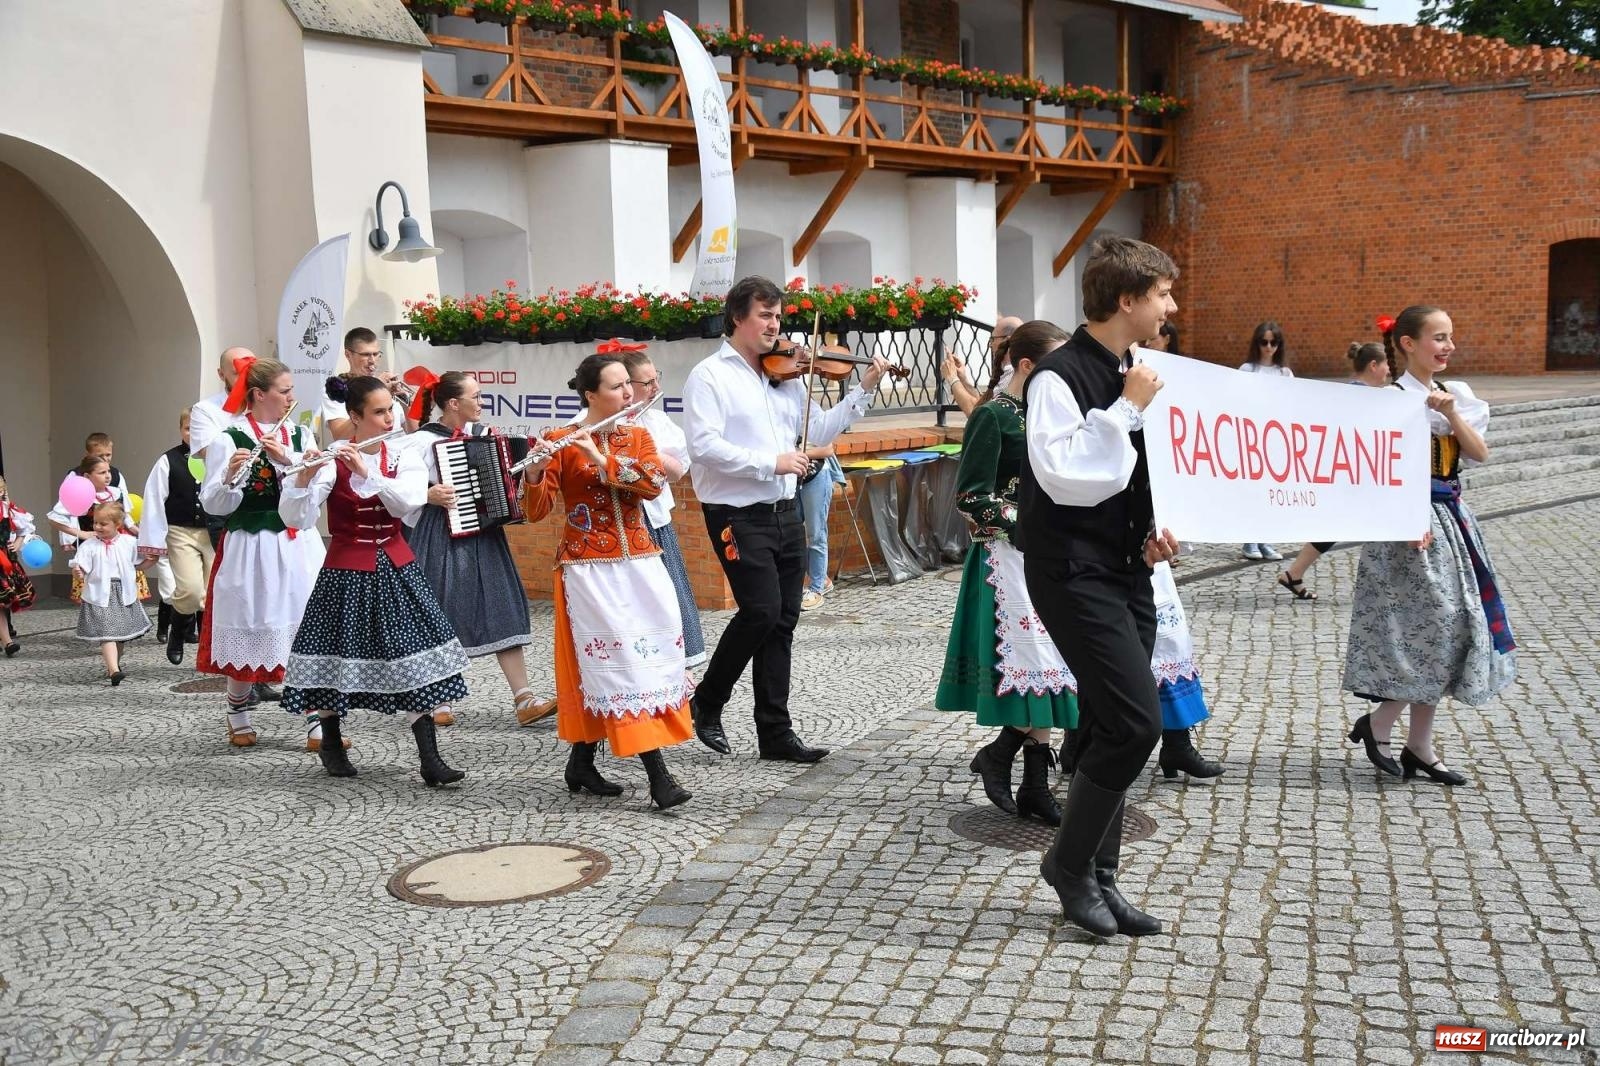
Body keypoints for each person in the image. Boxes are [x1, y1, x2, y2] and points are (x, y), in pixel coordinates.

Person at [1017, 235, 1181, 938]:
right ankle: (1068, 866)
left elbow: (1139, 474)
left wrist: (1160, 526)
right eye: (1163, 294)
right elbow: (1065, 476)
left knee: (1111, 724)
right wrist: (1125, 410)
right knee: (1137, 722)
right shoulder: (1058, 377)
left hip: (1125, 567)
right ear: (1126, 300)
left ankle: (1101, 876)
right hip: (1069, 570)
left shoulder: (1137, 369)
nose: (1171, 306)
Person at [682, 275, 891, 763]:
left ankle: (775, 733)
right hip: (736, 513)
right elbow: (704, 447)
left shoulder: (785, 376)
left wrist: (862, 389)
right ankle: (707, 701)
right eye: (765, 316)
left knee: (783, 620)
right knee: (760, 610)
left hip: (784, 510)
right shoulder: (709, 376)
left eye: (778, 316)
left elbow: (817, 430)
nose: (775, 326)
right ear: (738, 318)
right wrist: (770, 461)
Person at [1343, 306, 1513, 787]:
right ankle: (1384, 727)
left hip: (1451, 524)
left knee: (1451, 631)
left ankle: (1415, 742)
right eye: (1438, 337)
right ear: (1407, 344)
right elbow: (1372, 474)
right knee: (1427, 633)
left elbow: (1479, 454)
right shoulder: (1387, 401)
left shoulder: (1456, 396)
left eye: (1451, 338)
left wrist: (1452, 414)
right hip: (1405, 531)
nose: (1448, 346)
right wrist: (1405, 514)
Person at [524, 354, 695, 809]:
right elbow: (536, 511)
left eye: (628, 385)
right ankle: (660, 778)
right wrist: (537, 471)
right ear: (590, 395)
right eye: (618, 387)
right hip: (588, 569)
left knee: (642, 663)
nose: (628, 394)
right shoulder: (558, 439)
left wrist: (602, 458)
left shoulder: (637, 434)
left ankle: (580, 763)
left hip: (640, 560)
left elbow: (653, 483)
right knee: (619, 667)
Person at [279, 377, 469, 786]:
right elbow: (295, 520)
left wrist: (368, 471)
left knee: (412, 654)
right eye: (379, 412)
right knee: (334, 655)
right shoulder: (333, 459)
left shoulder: (403, 455)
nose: (389, 419)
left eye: (391, 410)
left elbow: (408, 503)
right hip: (347, 570)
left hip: (397, 566)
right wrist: (302, 476)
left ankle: (430, 759)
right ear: (355, 417)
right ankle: (331, 740)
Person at [936, 321, 1078, 825]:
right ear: (1025, 365)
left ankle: (1022, 773)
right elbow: (972, 496)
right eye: (1055, 365)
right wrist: (1028, 522)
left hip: (1047, 557)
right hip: (1005, 557)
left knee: (1050, 666)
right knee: (1037, 664)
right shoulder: (994, 416)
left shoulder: (1049, 415)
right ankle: (1019, 771)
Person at [404, 369, 554, 728]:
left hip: (483, 533)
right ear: (453, 403)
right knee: (439, 608)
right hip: (439, 532)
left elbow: (506, 480)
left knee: (501, 601)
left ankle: (524, 698)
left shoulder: (486, 437)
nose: (482, 403)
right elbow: (393, 488)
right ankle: (436, 695)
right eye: (476, 396)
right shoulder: (419, 442)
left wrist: (534, 468)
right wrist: (425, 493)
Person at [196, 356, 328, 749]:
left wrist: (290, 462)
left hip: (297, 544)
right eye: (284, 391)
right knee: (252, 623)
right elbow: (214, 504)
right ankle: (237, 708)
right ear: (259, 394)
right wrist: (230, 476)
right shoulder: (228, 438)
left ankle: (316, 720)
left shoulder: (302, 435)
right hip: (251, 545)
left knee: (304, 627)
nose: (292, 397)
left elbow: (320, 485)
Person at [1276, 341, 1391, 602]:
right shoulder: (1363, 397)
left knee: (1337, 525)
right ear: (1373, 365)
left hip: (1353, 474)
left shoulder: (1352, 392)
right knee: (1375, 525)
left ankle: (1294, 574)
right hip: (1355, 475)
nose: (1388, 371)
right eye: (1385, 365)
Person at [615, 344, 707, 666]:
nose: (656, 388)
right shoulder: (598, 422)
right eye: (648, 383)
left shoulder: (654, 420)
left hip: (653, 518)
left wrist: (641, 449)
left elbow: (678, 469)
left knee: (669, 591)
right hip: (615, 524)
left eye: (656, 379)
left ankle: (681, 667)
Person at [138, 408, 215, 664]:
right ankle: (177, 634)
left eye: (197, 428)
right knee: (191, 590)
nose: (192, 433)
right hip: (180, 532)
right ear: (180, 430)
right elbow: (153, 500)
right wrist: (153, 541)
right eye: (187, 428)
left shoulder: (219, 456)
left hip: (213, 532)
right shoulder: (168, 460)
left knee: (213, 593)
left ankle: (209, 649)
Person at [69, 500, 155, 685]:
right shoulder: (89, 545)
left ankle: (114, 665)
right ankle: (114, 671)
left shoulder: (129, 542)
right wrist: (78, 571)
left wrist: (151, 561)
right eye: (95, 522)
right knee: (107, 633)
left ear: (117, 525)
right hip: (100, 595)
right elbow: (81, 567)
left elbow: (139, 565)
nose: (97, 527)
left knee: (119, 636)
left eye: (103, 523)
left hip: (123, 593)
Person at [1238, 321, 1293, 562]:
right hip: (1252, 436)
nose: (1269, 347)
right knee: (1253, 490)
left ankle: (1266, 539)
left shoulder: (1284, 373)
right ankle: (1250, 540)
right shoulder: (1248, 369)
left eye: (1274, 342)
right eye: (1264, 342)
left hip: (1276, 437)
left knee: (1272, 490)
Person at [321, 327, 415, 443]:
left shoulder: (387, 383)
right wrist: (376, 392)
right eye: (365, 355)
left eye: (376, 354)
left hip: (396, 453)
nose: (372, 361)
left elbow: (414, 433)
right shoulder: (337, 388)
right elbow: (340, 435)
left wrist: (406, 404)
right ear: (348, 355)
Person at [943, 315, 1023, 416]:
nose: (990, 344)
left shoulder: (1013, 372)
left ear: (1006, 339)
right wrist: (963, 379)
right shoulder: (1010, 369)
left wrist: (952, 378)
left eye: (993, 339)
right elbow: (983, 404)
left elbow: (977, 414)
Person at [797, 445, 843, 611]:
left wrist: (794, 453)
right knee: (793, 533)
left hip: (815, 474)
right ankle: (821, 579)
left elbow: (827, 449)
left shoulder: (814, 419)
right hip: (789, 477)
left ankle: (817, 588)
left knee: (815, 533)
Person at [0, 475, 38, 656]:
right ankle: (6, 641)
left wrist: (18, 543)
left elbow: (25, 528)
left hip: (3, 561)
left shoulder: (7, 509)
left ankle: (7, 642)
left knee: (1, 603)